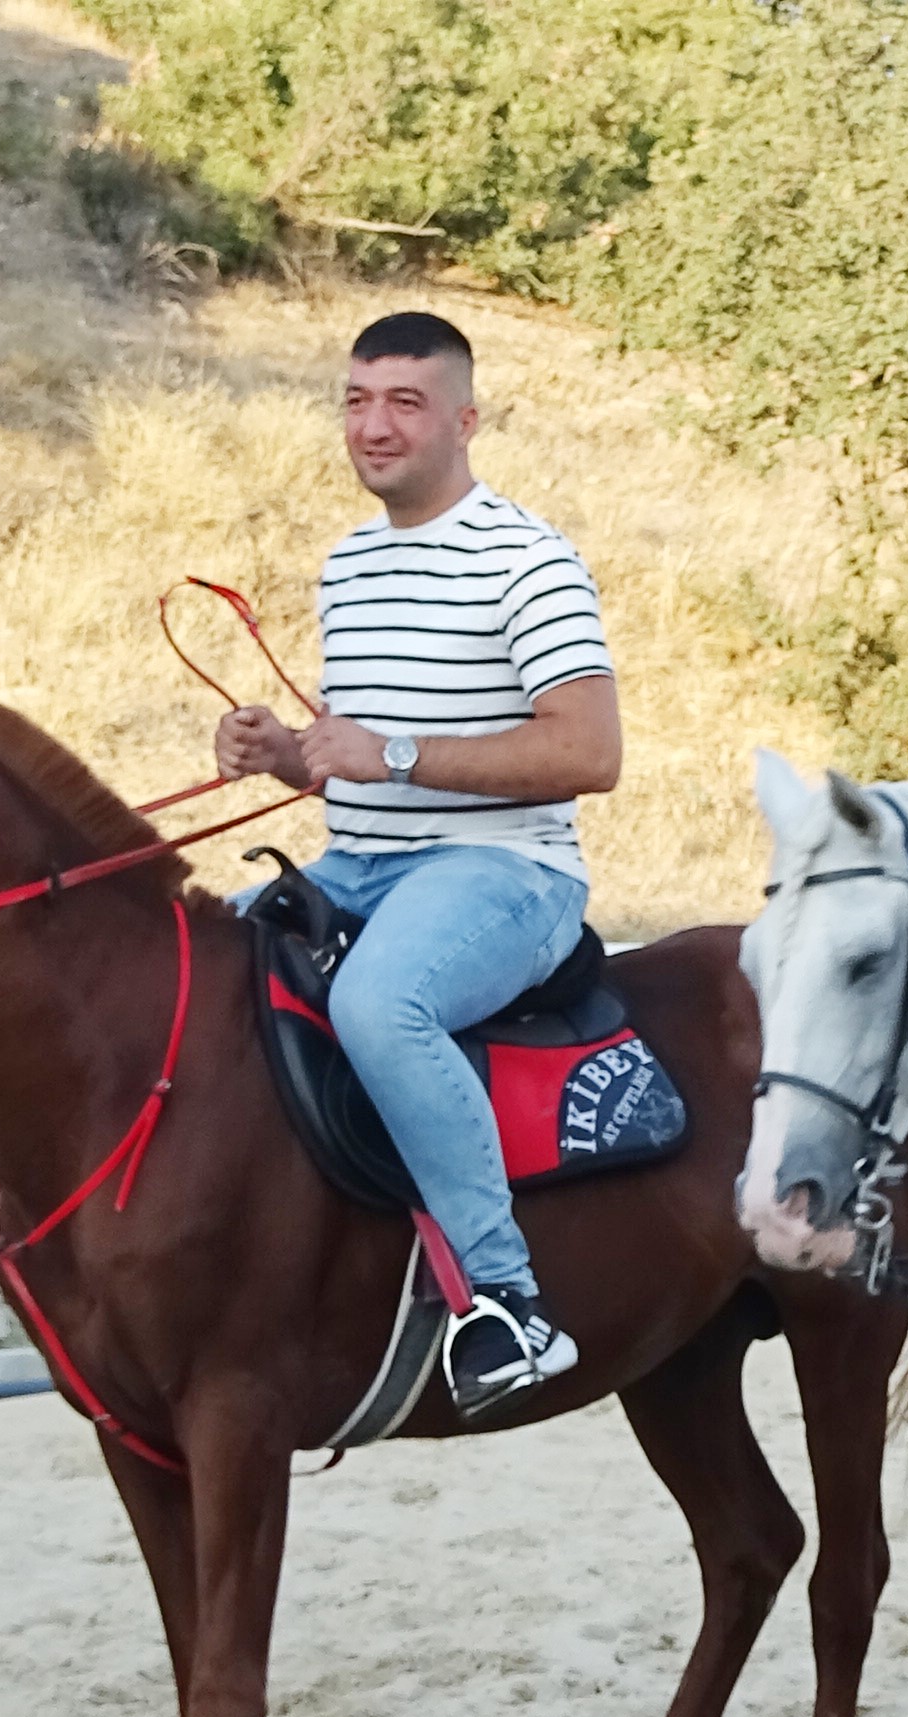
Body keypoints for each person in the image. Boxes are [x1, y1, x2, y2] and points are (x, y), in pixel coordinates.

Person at [214, 311, 622, 1419]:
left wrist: (389, 753)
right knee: (196, 965)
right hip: (362, 862)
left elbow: (591, 753)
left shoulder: (527, 558)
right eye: (356, 400)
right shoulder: (349, 566)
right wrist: (288, 758)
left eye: (404, 402)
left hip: (508, 874)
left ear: (464, 419)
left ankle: (508, 1302)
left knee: (380, 1002)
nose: (374, 425)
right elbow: (358, 765)